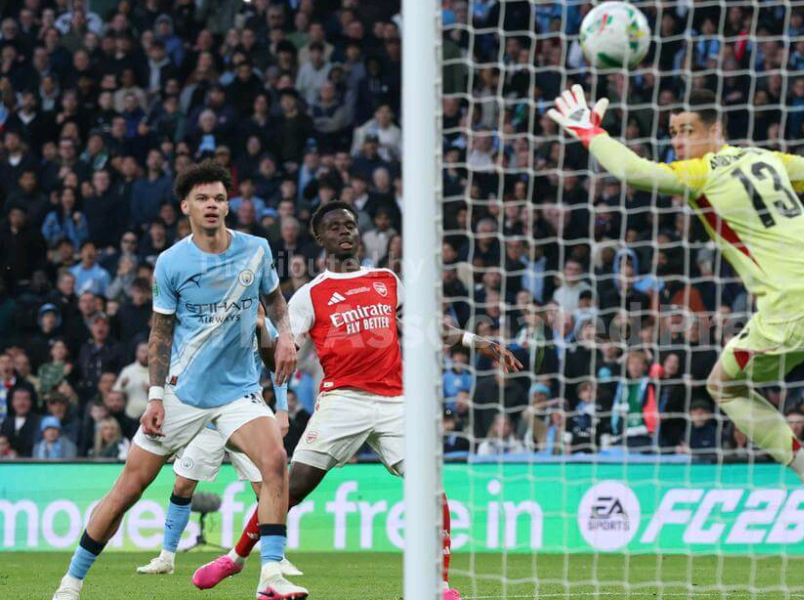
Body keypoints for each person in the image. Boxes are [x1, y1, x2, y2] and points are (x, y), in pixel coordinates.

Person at [547, 85, 804, 542]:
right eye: (673, 132)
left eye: (687, 131)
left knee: (722, 387)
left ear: (716, 130)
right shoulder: (769, 159)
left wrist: (589, 131)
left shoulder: (698, 174)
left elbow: (633, 170)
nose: (678, 141)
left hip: (792, 308)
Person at [191, 201, 522, 600]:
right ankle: (237, 557)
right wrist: (261, 331)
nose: (345, 232)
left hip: (395, 402)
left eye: (349, 225)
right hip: (342, 401)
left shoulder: (386, 280)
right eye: (335, 227)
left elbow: (419, 325)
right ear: (320, 238)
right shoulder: (309, 296)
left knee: (431, 488)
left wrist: (474, 340)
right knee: (291, 488)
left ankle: (438, 585)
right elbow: (279, 356)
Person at [51, 161, 305, 600]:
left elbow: (276, 302)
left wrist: (285, 338)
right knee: (128, 489)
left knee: (276, 461)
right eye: (203, 198)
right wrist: (155, 397)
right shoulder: (171, 263)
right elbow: (160, 333)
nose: (213, 205)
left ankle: (271, 577)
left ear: (229, 206)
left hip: (239, 393)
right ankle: (71, 582)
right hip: (182, 394)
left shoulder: (258, 249)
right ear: (185, 205)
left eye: (220, 198)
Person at [136, 307, 301, 580]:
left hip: (243, 418)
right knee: (183, 484)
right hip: (207, 420)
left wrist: (282, 409)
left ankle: (278, 557)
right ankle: (166, 557)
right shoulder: (209, 323)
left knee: (267, 487)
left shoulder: (262, 326)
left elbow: (278, 365)